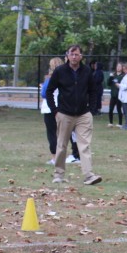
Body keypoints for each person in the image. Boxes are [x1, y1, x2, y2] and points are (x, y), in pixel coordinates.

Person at [45, 44, 102, 185]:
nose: (74, 57)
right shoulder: (60, 71)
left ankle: (89, 176)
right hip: (64, 114)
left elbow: (93, 91)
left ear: (81, 56)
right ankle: (58, 175)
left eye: (77, 54)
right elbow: (49, 91)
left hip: (83, 114)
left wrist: (91, 110)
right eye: (72, 54)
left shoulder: (87, 71)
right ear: (67, 56)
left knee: (84, 145)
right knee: (61, 145)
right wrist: (55, 111)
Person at [41, 57, 80, 165]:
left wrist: (43, 85)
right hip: (63, 108)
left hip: (49, 109)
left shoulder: (50, 78)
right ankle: (74, 154)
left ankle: (55, 158)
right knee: (67, 133)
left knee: (52, 133)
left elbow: (44, 93)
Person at [107, 62, 123, 127]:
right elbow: (108, 84)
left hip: (119, 96)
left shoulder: (123, 76)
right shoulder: (113, 75)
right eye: (117, 66)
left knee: (119, 109)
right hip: (113, 95)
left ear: (122, 68)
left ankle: (120, 124)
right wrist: (111, 77)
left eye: (119, 66)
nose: (118, 68)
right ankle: (110, 123)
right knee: (110, 109)